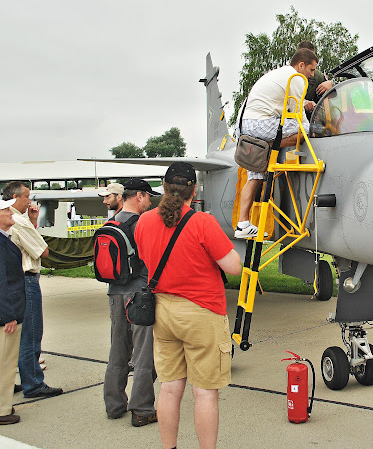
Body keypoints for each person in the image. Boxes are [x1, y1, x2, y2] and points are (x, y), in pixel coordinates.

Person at [135, 162, 242, 449]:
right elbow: (233, 267)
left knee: (170, 390)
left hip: (163, 311)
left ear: (163, 186)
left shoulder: (144, 221)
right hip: (201, 312)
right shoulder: (202, 223)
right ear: (194, 191)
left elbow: (147, 259)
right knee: (205, 393)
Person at [234, 48, 319, 239]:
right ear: (301, 65)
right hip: (260, 123)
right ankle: (271, 145)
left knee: (255, 176)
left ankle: (242, 224)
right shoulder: (296, 79)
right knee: (304, 130)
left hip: (246, 125)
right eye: (311, 70)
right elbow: (296, 114)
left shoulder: (280, 74)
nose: (312, 75)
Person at [103, 179, 161, 426]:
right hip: (140, 295)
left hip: (115, 293)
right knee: (143, 354)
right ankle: (142, 409)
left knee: (118, 350)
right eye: (148, 197)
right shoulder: (142, 224)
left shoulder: (111, 222)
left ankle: (114, 405)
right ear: (138, 196)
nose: (150, 202)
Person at [2, 182, 63, 399]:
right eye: (27, 196)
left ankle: (9, 379)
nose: (30, 201)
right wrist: (30, 224)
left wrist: (33, 222)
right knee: (31, 333)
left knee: (15, 335)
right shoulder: (19, 221)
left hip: (11, 282)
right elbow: (43, 251)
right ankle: (33, 383)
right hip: (27, 281)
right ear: (16, 197)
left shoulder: (10, 222)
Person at [0, 199, 26, 425]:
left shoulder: (0, 239)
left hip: (1, 312)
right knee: (2, 363)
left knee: (1, 362)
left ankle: (0, 403)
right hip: (2, 315)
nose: (10, 212)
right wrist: (8, 315)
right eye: (5, 210)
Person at [297, 41, 334, 115]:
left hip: (312, 121)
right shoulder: (288, 75)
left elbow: (334, 96)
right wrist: (304, 103)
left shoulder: (318, 76)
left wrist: (332, 84)